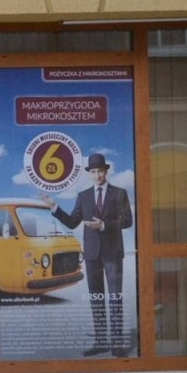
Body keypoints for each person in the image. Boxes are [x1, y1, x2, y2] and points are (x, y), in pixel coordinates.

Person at [42, 153, 133, 357]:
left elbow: (128, 221)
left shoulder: (119, 193)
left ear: (106, 171)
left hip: (112, 254)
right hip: (92, 254)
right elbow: (73, 222)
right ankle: (101, 342)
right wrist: (54, 208)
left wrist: (104, 225)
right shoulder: (83, 196)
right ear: (90, 174)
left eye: (100, 171)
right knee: (96, 298)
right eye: (94, 171)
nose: (97, 174)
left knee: (115, 298)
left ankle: (117, 344)